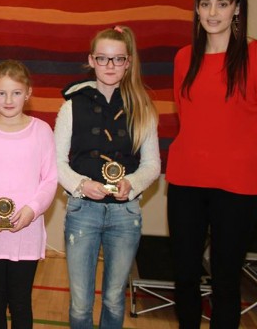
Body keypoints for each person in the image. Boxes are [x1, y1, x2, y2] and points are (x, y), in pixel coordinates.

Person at [166, 0, 257, 327]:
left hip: (238, 188)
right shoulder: (184, 58)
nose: (212, 12)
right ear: (197, 10)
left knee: (225, 282)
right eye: (205, 4)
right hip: (186, 182)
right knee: (185, 277)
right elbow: (186, 116)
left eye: (222, 3)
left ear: (236, 9)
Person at [54, 26, 161, 328]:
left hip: (125, 216)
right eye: (103, 59)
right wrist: (81, 185)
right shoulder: (71, 106)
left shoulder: (143, 108)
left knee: (114, 299)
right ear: (91, 60)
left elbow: (152, 164)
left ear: (128, 62)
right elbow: (56, 163)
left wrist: (134, 184)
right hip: (82, 212)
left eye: (117, 59)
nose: (110, 66)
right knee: (80, 303)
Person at [0, 60, 58, 329]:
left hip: (26, 233)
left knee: (20, 301)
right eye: (1, 93)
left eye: (16, 92)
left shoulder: (41, 131)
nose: (8, 99)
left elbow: (50, 180)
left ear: (28, 93)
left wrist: (32, 209)